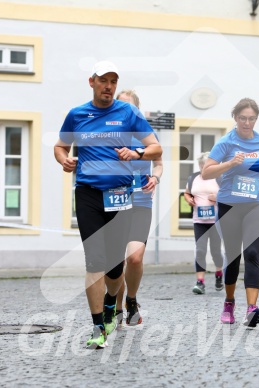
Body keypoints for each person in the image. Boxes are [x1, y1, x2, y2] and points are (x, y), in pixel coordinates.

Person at [54, 61, 162, 348]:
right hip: (87, 193)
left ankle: (113, 302)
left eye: (113, 81)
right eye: (104, 80)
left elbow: (156, 147)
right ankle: (97, 326)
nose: (109, 86)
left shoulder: (128, 112)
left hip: (120, 195)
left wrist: (137, 152)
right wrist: (63, 159)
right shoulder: (77, 115)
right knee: (95, 261)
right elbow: (60, 145)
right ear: (92, 82)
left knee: (115, 269)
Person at [201, 98, 259, 327]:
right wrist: (231, 163)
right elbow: (206, 173)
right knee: (233, 256)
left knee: (252, 253)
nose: (247, 122)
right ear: (235, 117)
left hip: (257, 203)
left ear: (256, 119)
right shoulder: (225, 143)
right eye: (243, 118)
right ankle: (229, 302)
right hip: (230, 206)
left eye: (251, 118)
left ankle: (252, 309)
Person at [109, 90, 163, 327]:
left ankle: (131, 299)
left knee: (134, 258)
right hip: (115, 202)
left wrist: (156, 178)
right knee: (115, 261)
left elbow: (159, 163)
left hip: (141, 202)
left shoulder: (146, 136)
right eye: (119, 105)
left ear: (137, 111)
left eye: (129, 107)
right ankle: (116, 307)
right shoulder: (108, 134)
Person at [184, 152, 224, 294]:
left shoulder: (219, 178)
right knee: (200, 250)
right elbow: (187, 193)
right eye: (201, 165)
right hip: (199, 220)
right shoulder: (193, 178)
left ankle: (219, 274)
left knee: (215, 251)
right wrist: (188, 199)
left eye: (205, 165)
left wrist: (218, 197)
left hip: (216, 221)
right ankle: (200, 282)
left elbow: (229, 196)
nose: (203, 168)